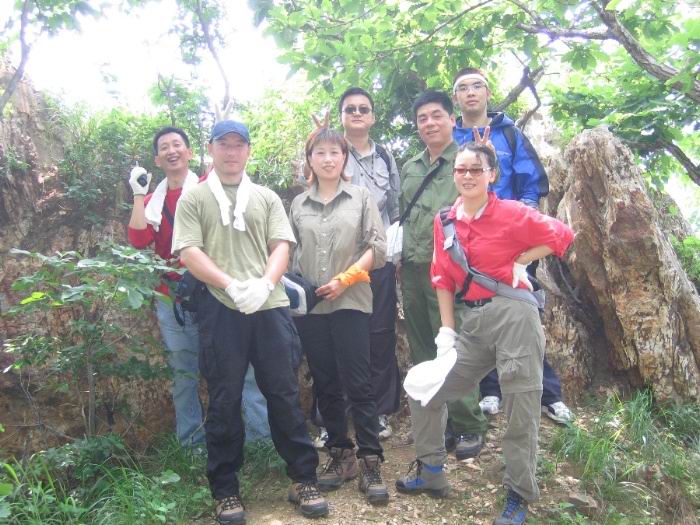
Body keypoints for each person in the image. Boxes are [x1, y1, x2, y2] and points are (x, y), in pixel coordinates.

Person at [396, 140, 574, 525]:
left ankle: (519, 493)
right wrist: (446, 333)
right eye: (461, 169)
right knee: (424, 387)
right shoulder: (445, 220)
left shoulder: (511, 213)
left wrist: (523, 259)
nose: (467, 176)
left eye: (476, 169)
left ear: (491, 174)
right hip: (472, 322)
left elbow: (562, 235)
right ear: (453, 174)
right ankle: (431, 470)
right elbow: (442, 277)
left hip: (515, 316)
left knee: (520, 405)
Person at [172, 120, 328, 524]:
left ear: (248, 150)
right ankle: (225, 490)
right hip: (220, 307)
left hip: (269, 305)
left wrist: (265, 284)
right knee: (224, 399)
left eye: (238, 144)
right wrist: (229, 285)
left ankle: (303, 478)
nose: (231, 151)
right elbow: (189, 251)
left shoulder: (265, 197)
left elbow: (281, 247)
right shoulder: (194, 198)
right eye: (223, 144)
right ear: (211, 149)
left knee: (283, 393)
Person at [451, 67, 573, 423]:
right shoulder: (452, 136)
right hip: (470, 238)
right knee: (480, 314)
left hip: (512, 233)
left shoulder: (509, 133)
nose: (470, 92)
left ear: (488, 93)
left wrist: (524, 223)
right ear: (455, 98)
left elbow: (531, 182)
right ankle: (491, 390)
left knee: (524, 312)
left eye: (477, 86)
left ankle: (547, 393)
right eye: (462, 88)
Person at [289, 127, 389, 505]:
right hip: (312, 308)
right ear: (310, 160)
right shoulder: (298, 204)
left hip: (350, 301)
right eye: (320, 153)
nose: (328, 159)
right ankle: (340, 454)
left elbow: (377, 247)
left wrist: (344, 280)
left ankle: (371, 460)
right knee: (326, 383)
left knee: (359, 382)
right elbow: (289, 254)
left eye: (335, 152)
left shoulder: (361, 197)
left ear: (344, 157)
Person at [308, 87, 401, 446]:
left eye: (364, 108)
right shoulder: (329, 151)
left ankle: (377, 411)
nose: (357, 114)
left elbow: (395, 207)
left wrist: (394, 254)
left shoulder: (385, 157)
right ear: (342, 116)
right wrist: (317, 138)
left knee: (379, 335)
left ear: (373, 116)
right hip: (332, 263)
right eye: (350, 109)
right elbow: (309, 189)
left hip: (375, 262)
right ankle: (329, 417)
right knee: (327, 340)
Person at [398, 90, 488, 460]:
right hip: (413, 269)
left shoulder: (467, 162)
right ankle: (437, 421)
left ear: (452, 119)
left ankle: (468, 424)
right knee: (422, 346)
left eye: (437, 115)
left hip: (451, 271)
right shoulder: (410, 166)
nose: (430, 123)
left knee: (456, 346)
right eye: (422, 118)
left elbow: (483, 210)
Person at [127, 126, 205, 449]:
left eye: (177, 144)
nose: (172, 151)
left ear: (189, 152)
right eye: (164, 147)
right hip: (171, 296)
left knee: (231, 366)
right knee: (183, 372)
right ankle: (192, 445)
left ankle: (244, 440)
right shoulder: (151, 201)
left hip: (210, 288)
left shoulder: (207, 186)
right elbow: (138, 239)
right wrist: (137, 193)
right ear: (157, 160)